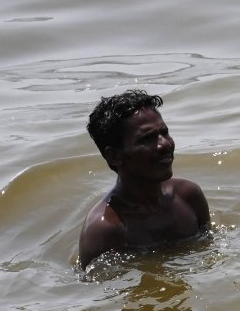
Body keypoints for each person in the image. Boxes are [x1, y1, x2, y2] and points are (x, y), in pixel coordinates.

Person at [79, 91, 211, 270]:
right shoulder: (106, 230)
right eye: (147, 139)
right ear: (115, 156)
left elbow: (210, 251)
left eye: (164, 132)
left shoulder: (189, 196)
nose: (165, 144)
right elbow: (96, 291)